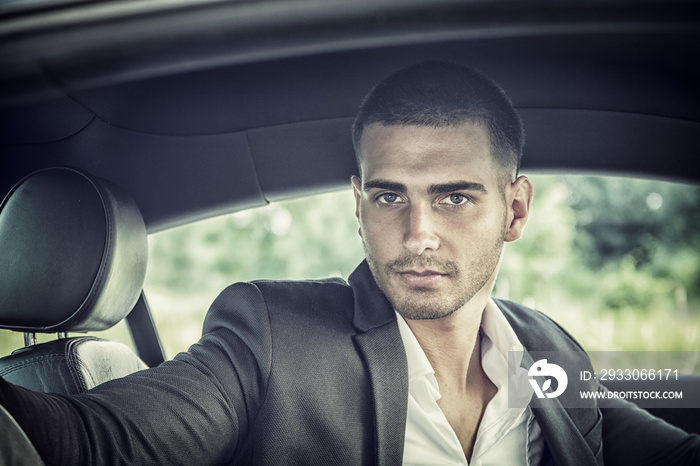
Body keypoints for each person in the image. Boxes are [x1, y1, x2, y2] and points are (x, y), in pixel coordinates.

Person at [1, 61, 698, 465]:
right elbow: (89, 441)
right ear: (359, 205)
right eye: (391, 196)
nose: (418, 233)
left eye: (455, 197)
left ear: (515, 211)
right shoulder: (272, 336)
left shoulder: (542, 352)